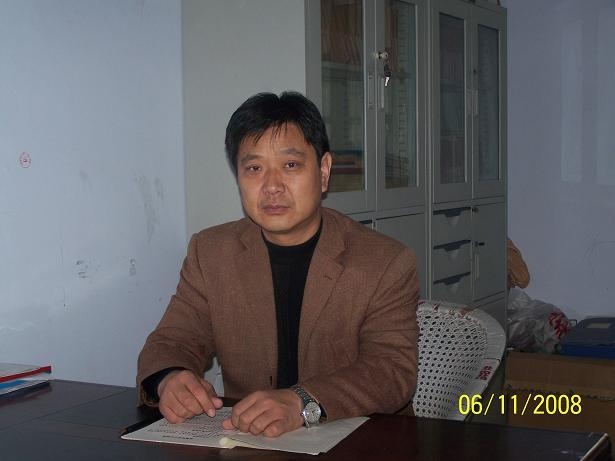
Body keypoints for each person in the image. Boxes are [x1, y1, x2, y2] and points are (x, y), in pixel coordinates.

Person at [136, 91, 420, 438]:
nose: (272, 186)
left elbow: (391, 371)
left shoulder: (385, 262)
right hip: (250, 440)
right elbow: (172, 340)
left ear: (324, 171)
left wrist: (302, 402)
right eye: (254, 168)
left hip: (360, 438)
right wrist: (170, 378)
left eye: (290, 165)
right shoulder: (210, 252)